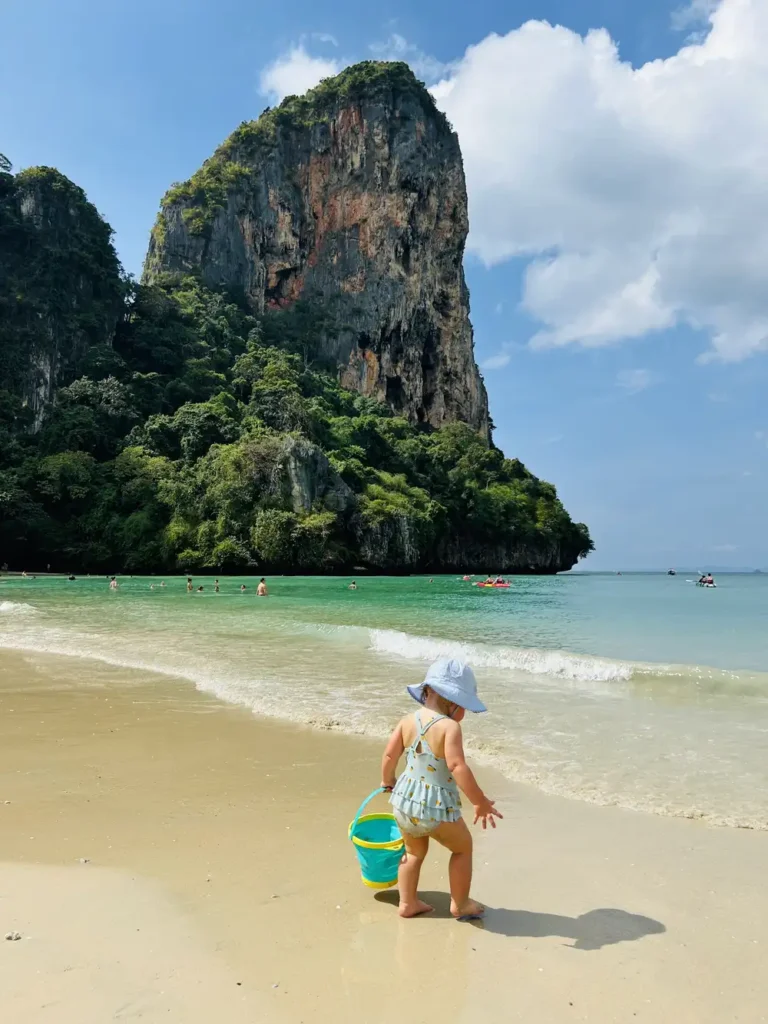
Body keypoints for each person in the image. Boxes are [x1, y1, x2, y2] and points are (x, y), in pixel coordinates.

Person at [380, 658, 502, 920]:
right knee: (462, 848)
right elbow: (458, 767)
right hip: (434, 808)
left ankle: (407, 903)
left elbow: (390, 756)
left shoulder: (407, 720)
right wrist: (479, 802)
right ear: (453, 701)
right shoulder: (449, 727)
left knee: (413, 853)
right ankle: (460, 903)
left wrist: (387, 781)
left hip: (404, 802)